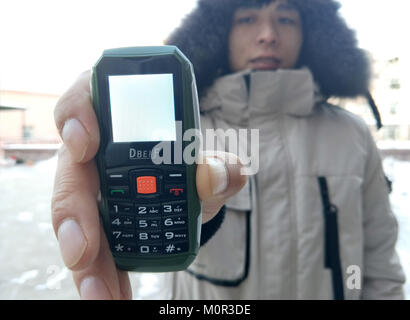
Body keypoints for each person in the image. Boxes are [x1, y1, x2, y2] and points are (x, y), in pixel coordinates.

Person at [52, 0, 405, 299]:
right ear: (219, 31)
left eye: (285, 18)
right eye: (248, 18)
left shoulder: (353, 134)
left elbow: (378, 261)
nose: (268, 35)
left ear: (313, 32)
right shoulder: (179, 129)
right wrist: (96, 133)